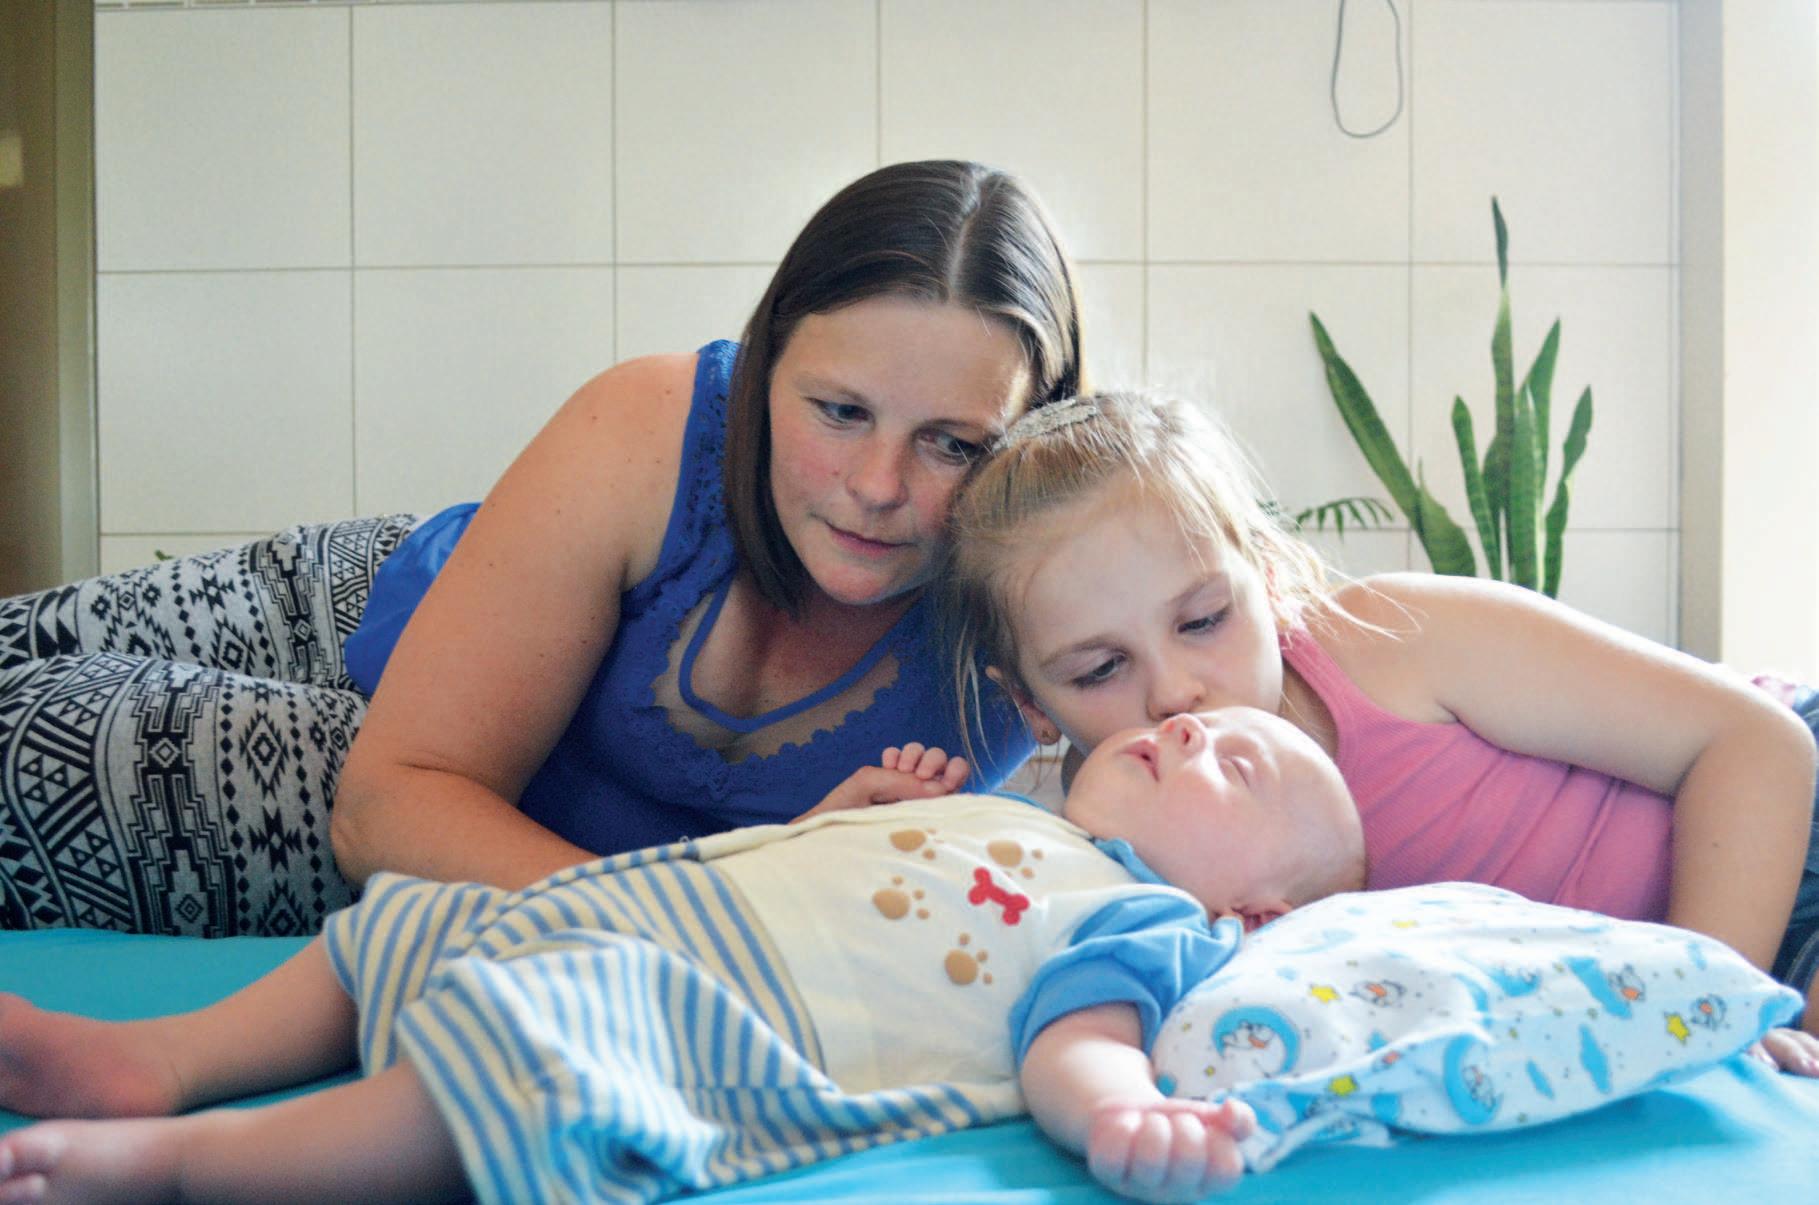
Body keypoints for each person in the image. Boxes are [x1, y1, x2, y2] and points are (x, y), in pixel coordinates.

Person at [0, 159, 1082, 936]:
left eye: (953, 443)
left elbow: (378, 811)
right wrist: (694, 929)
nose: (878, 487)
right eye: (838, 411)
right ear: (762, 369)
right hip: (364, 605)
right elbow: (403, 793)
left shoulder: (1039, 626)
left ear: (1028, 445)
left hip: (428, 806)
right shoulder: (653, 422)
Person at [0, 710, 1366, 1204]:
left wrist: (1119, 1111)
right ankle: (153, 1056)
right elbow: (811, 865)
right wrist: (845, 813)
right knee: (405, 923)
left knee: (514, 1059)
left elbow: (1078, 1034)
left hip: (720, 1020)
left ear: (1250, 915)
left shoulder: (1146, 920)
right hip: (654, 910)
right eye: (1192, 723)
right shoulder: (1019, 811)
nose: (1188, 728)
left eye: (1237, 762)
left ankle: (188, 1163)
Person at [936, 389, 1819, 1072]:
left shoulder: (1390, 641)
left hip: (1779, 826)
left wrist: (1710, 1007)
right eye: (1099, 669)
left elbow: (1755, 741)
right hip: (1657, 989)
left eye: (1202, 620)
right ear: (1031, 704)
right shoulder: (1110, 828)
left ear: (1267, 577)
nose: (1174, 693)